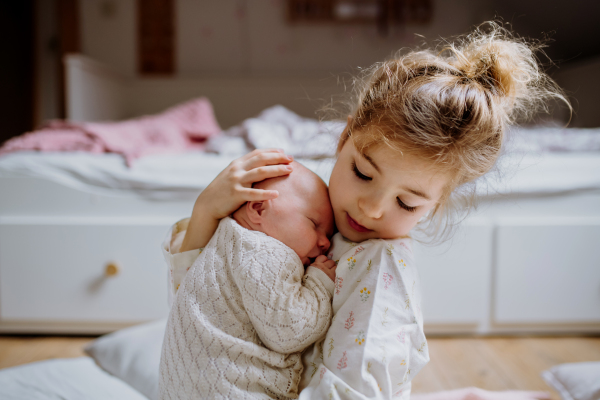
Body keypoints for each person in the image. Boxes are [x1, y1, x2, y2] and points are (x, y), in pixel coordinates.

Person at [164, 22, 567, 399]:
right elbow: (199, 309)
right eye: (362, 172)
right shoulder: (298, 214)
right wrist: (206, 212)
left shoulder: (380, 270)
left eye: (406, 202)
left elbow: (356, 387)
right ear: (344, 138)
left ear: (435, 204)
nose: (372, 209)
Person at [159, 162, 337, 399]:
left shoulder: (221, 241)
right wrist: (319, 284)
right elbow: (290, 332)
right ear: (259, 209)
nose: (325, 243)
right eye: (314, 224)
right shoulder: (268, 251)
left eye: (328, 233)